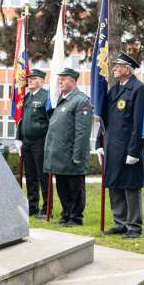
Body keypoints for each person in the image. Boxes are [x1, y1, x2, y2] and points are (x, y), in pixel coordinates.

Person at [95, 52, 144, 239]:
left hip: (128, 148)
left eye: (118, 66)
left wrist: (134, 150)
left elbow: (139, 122)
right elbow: (103, 120)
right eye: (114, 65)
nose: (114, 68)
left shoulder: (138, 89)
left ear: (127, 69)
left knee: (130, 187)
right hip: (112, 147)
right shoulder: (114, 90)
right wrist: (99, 142)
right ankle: (120, 222)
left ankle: (133, 226)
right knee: (114, 184)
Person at [43, 67, 93, 227]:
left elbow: (82, 132)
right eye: (59, 79)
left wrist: (78, 154)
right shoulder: (63, 99)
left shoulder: (80, 100)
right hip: (60, 155)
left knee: (75, 188)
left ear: (72, 80)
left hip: (72, 155)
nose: (59, 82)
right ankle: (66, 214)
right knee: (63, 187)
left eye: (63, 79)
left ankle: (76, 217)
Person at [15, 70, 51, 218]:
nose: (29, 81)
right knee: (30, 176)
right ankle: (32, 206)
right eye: (29, 79)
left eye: (33, 79)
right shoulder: (27, 98)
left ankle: (46, 209)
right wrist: (18, 137)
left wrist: (45, 137)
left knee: (43, 176)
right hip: (27, 142)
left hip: (40, 142)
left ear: (41, 82)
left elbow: (50, 121)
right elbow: (21, 119)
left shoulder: (46, 97)